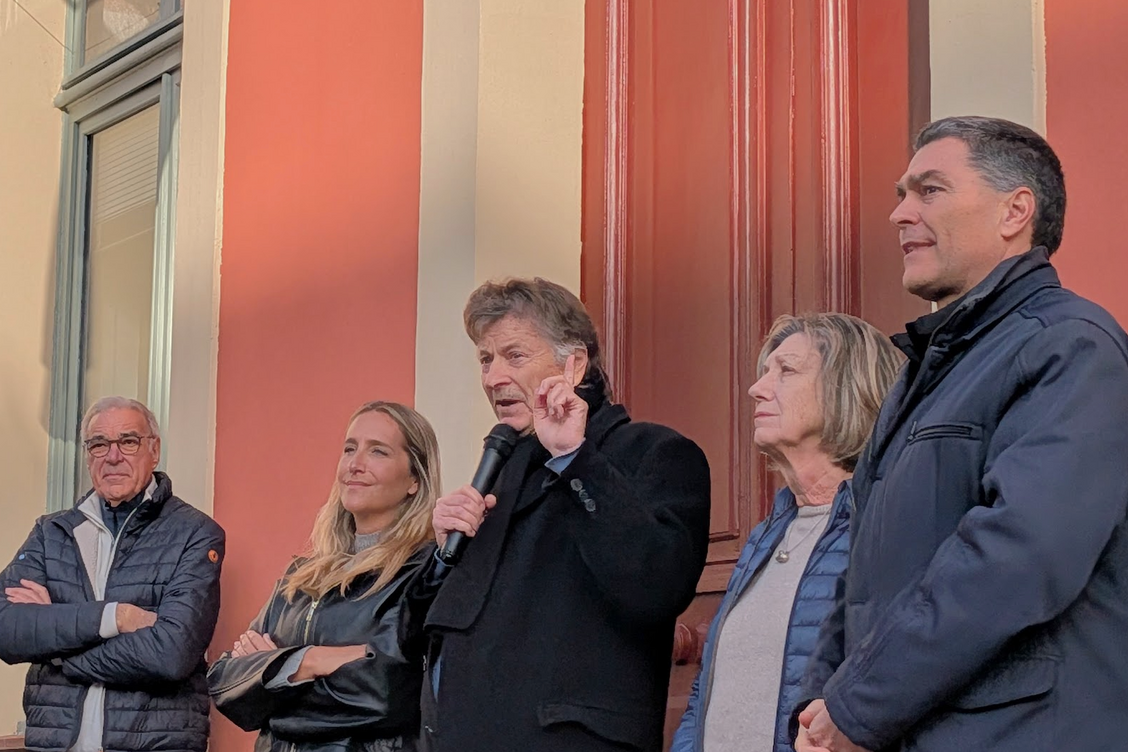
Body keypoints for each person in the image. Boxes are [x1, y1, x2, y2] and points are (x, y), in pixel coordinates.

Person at [794, 116, 1128, 752]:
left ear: (1015, 211)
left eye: (930, 190)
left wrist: (859, 706)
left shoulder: (1069, 345)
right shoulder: (925, 375)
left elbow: (1020, 555)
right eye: (902, 194)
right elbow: (862, 576)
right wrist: (823, 703)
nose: (900, 213)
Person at [415, 277, 711, 752]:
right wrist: (441, 555)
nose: (493, 378)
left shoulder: (654, 453)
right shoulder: (503, 470)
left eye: (514, 356)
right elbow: (435, 630)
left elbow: (655, 586)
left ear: (574, 364)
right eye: (485, 360)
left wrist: (576, 459)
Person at [671, 313, 902, 752]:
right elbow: (708, 690)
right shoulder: (765, 536)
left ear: (846, 387)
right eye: (764, 372)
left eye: (787, 370)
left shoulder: (883, 526)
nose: (757, 388)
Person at [208, 401, 442, 752]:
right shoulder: (302, 576)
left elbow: (387, 693)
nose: (355, 464)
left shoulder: (422, 572)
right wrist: (311, 660)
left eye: (378, 451)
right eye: (349, 448)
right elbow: (225, 682)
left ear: (414, 479)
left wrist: (275, 678)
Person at [0, 396, 225, 752]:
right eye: (99, 444)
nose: (113, 456)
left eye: (128, 441)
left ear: (154, 450)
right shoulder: (50, 533)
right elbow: (7, 630)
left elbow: (171, 654)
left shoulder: (194, 534)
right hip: (55, 743)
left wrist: (56, 649)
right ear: (88, 455)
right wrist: (115, 617)